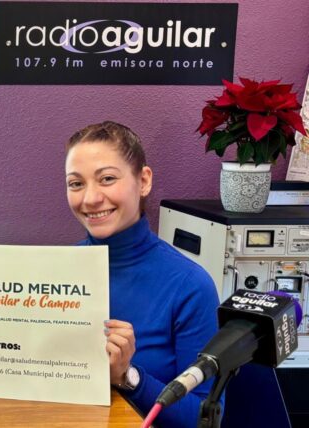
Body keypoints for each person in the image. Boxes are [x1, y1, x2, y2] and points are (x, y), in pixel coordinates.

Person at [64, 121, 220, 427]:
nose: (90, 198)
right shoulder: (57, 270)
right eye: (76, 183)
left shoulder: (190, 286)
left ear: (143, 180)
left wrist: (128, 376)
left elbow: (202, 418)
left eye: (107, 179)